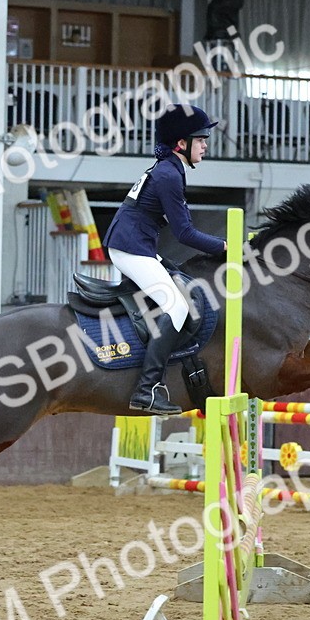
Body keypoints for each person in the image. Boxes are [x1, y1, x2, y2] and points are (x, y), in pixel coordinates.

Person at [102, 104, 228, 416]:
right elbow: (184, 233)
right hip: (131, 247)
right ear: (181, 143)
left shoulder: (168, 168)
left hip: (136, 243)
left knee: (179, 281)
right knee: (178, 305)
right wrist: (226, 246)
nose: (206, 144)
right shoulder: (169, 175)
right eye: (201, 139)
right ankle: (146, 390)